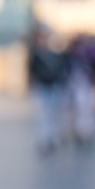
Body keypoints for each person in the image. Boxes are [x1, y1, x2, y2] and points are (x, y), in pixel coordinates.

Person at [27, 24, 70, 155]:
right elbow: (31, 70)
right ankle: (44, 139)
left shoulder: (56, 52)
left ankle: (52, 138)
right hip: (42, 86)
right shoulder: (36, 53)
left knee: (54, 114)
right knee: (43, 114)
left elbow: (63, 68)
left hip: (54, 86)